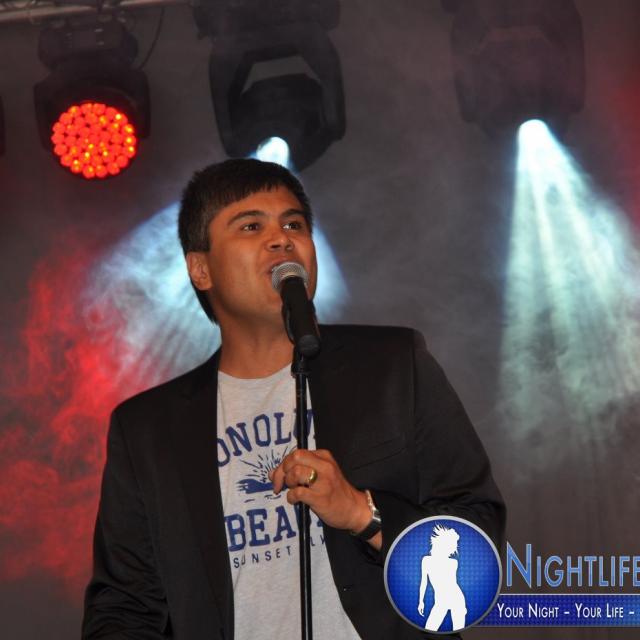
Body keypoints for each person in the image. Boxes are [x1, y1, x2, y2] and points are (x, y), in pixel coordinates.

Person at [82, 158, 505, 640]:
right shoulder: (148, 430)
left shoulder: (391, 367)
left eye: (294, 225)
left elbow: (479, 540)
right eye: (251, 225)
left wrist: (362, 513)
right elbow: (124, 609)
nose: (281, 239)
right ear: (200, 269)